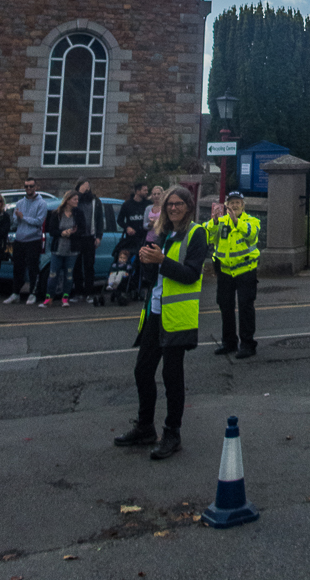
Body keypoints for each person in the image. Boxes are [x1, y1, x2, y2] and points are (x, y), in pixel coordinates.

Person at [114, 185, 208, 459]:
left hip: (177, 316)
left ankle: (172, 433)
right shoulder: (162, 233)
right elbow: (153, 275)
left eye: (179, 204)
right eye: (170, 204)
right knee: (143, 370)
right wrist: (147, 260)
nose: (174, 208)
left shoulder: (195, 233)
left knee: (171, 376)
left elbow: (191, 273)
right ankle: (145, 427)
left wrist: (162, 260)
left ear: (189, 207)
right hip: (154, 312)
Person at [205, 190, 260, 359]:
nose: (234, 205)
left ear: (243, 205)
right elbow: (208, 237)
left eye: (238, 202)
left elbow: (252, 234)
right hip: (225, 273)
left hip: (246, 271)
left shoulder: (252, 220)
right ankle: (229, 342)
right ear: (227, 205)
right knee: (225, 307)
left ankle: (248, 344)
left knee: (245, 307)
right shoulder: (220, 221)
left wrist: (237, 222)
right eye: (232, 202)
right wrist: (213, 221)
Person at [5, 178, 49, 305]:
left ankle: (32, 293)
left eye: (31, 186)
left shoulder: (41, 204)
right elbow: (15, 220)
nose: (28, 189)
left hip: (33, 240)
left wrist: (23, 217)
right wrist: (18, 218)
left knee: (33, 268)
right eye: (26, 186)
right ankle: (15, 293)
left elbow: (38, 222)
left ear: (36, 187)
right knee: (17, 268)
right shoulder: (19, 203)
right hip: (19, 240)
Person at [41, 191, 86, 308]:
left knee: (69, 275)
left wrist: (72, 233)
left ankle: (65, 298)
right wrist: (62, 233)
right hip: (58, 248)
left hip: (72, 249)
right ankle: (48, 298)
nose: (77, 202)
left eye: (77, 199)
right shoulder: (57, 213)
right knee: (53, 274)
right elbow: (52, 230)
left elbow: (82, 230)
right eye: (74, 199)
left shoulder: (78, 214)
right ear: (68, 200)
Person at [73, 180, 104, 304]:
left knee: (89, 266)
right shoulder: (76, 199)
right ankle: (78, 292)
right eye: (83, 186)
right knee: (76, 266)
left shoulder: (95, 201)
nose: (86, 188)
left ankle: (89, 293)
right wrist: (79, 193)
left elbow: (99, 220)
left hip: (90, 237)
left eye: (88, 186)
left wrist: (99, 236)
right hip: (77, 237)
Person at [117, 182, 150, 248]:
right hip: (131, 239)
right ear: (138, 191)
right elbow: (119, 220)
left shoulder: (148, 204)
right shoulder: (127, 205)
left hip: (145, 238)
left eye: (147, 190)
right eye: (145, 190)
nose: (147, 192)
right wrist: (127, 227)